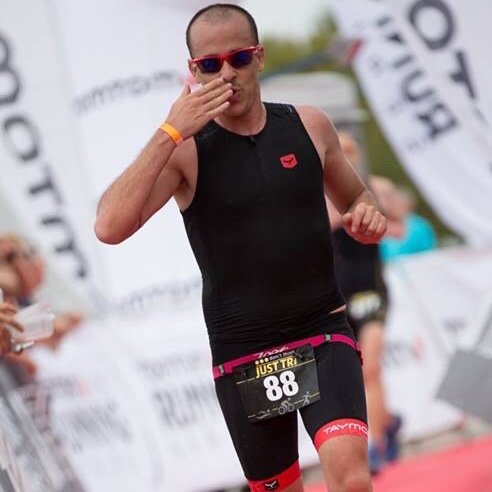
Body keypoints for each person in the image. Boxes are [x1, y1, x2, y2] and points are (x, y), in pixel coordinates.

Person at [94, 4, 387, 491]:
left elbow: (357, 197)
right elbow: (109, 226)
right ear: (194, 71)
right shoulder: (185, 150)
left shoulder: (309, 125)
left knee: (351, 476)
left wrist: (368, 215)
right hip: (245, 351)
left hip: (321, 330)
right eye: (210, 64)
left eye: (239, 58)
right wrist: (168, 132)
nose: (226, 73)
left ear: (260, 57)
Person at [329, 132, 401, 474]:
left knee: (370, 368)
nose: (343, 159)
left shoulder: (372, 189)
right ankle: (389, 421)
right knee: (357, 376)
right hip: (340, 299)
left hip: (371, 292)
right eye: (337, 152)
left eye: (348, 152)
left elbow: (400, 226)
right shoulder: (316, 195)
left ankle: (374, 446)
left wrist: (376, 220)